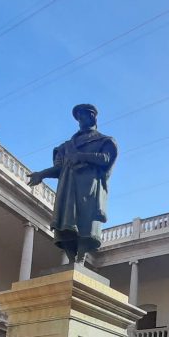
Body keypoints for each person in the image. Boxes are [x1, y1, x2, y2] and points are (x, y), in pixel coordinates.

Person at [27, 104, 118, 264]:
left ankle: (81, 259)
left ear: (92, 117)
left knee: (85, 224)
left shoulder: (105, 141)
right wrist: (42, 174)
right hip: (67, 190)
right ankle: (71, 261)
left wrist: (82, 156)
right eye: (78, 118)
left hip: (88, 190)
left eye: (82, 116)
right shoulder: (66, 147)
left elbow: (106, 159)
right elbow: (59, 168)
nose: (80, 121)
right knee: (65, 225)